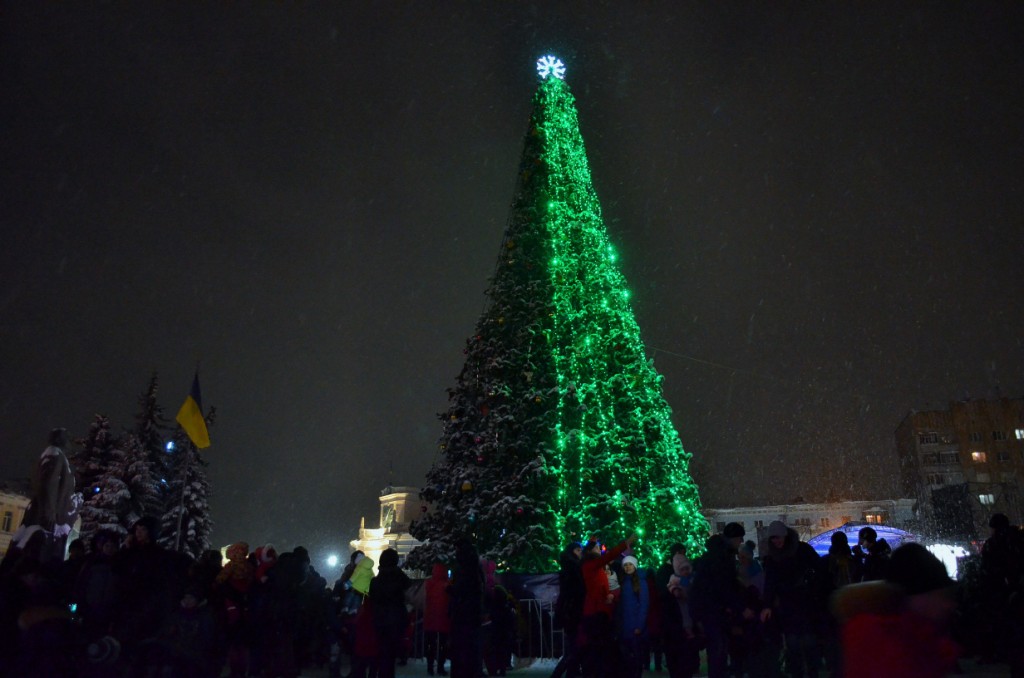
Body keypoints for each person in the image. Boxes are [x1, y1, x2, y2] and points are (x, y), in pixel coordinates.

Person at [835, 542, 959, 677]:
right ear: (916, 595)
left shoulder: (916, 635)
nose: (948, 605)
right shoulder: (892, 644)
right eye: (940, 596)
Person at [759, 520, 824, 678]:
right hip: (788, 604)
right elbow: (770, 582)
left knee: (807, 641)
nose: (777, 541)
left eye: (778, 537)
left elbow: (820, 570)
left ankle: (811, 671)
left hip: (805, 601)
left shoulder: (801, 550)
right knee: (793, 642)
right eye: (773, 538)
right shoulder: (774, 557)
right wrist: (767, 605)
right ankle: (799, 672)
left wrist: (812, 586)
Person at [580, 534, 636, 678]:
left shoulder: (598, 567)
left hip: (601, 611)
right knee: (600, 649)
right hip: (595, 613)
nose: (600, 550)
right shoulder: (590, 565)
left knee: (602, 649)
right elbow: (608, 556)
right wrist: (625, 544)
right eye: (597, 548)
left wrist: (610, 596)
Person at [369, 548, 411, 678]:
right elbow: (408, 586)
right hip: (395, 621)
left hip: (379, 621)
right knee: (390, 656)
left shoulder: (375, 581)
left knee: (380, 653)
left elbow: (372, 600)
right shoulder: (399, 579)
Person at [448, 538, 485, 678]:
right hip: (472, 616)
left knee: (462, 651)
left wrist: (452, 591)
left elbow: (462, 591)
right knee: (470, 650)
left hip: (462, 616)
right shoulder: (476, 570)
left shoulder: (464, 571)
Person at [551, 542, 584, 678]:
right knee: (573, 649)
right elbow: (573, 592)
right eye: (578, 550)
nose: (580, 552)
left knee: (574, 648)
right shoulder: (573, 568)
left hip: (570, 612)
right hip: (572, 612)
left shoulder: (570, 567)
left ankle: (572, 673)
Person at [617, 555, 650, 678]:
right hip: (625, 626)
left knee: (636, 658)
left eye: (630, 564)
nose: (627, 567)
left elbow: (644, 605)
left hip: (636, 626)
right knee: (627, 659)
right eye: (625, 565)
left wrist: (639, 625)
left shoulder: (641, 582)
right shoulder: (624, 582)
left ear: (635, 566)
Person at [424, 562, 451, 676]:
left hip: (430, 618)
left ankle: (430, 666)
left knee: (431, 644)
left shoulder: (428, 583)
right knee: (442, 645)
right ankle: (440, 666)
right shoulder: (447, 584)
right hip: (444, 619)